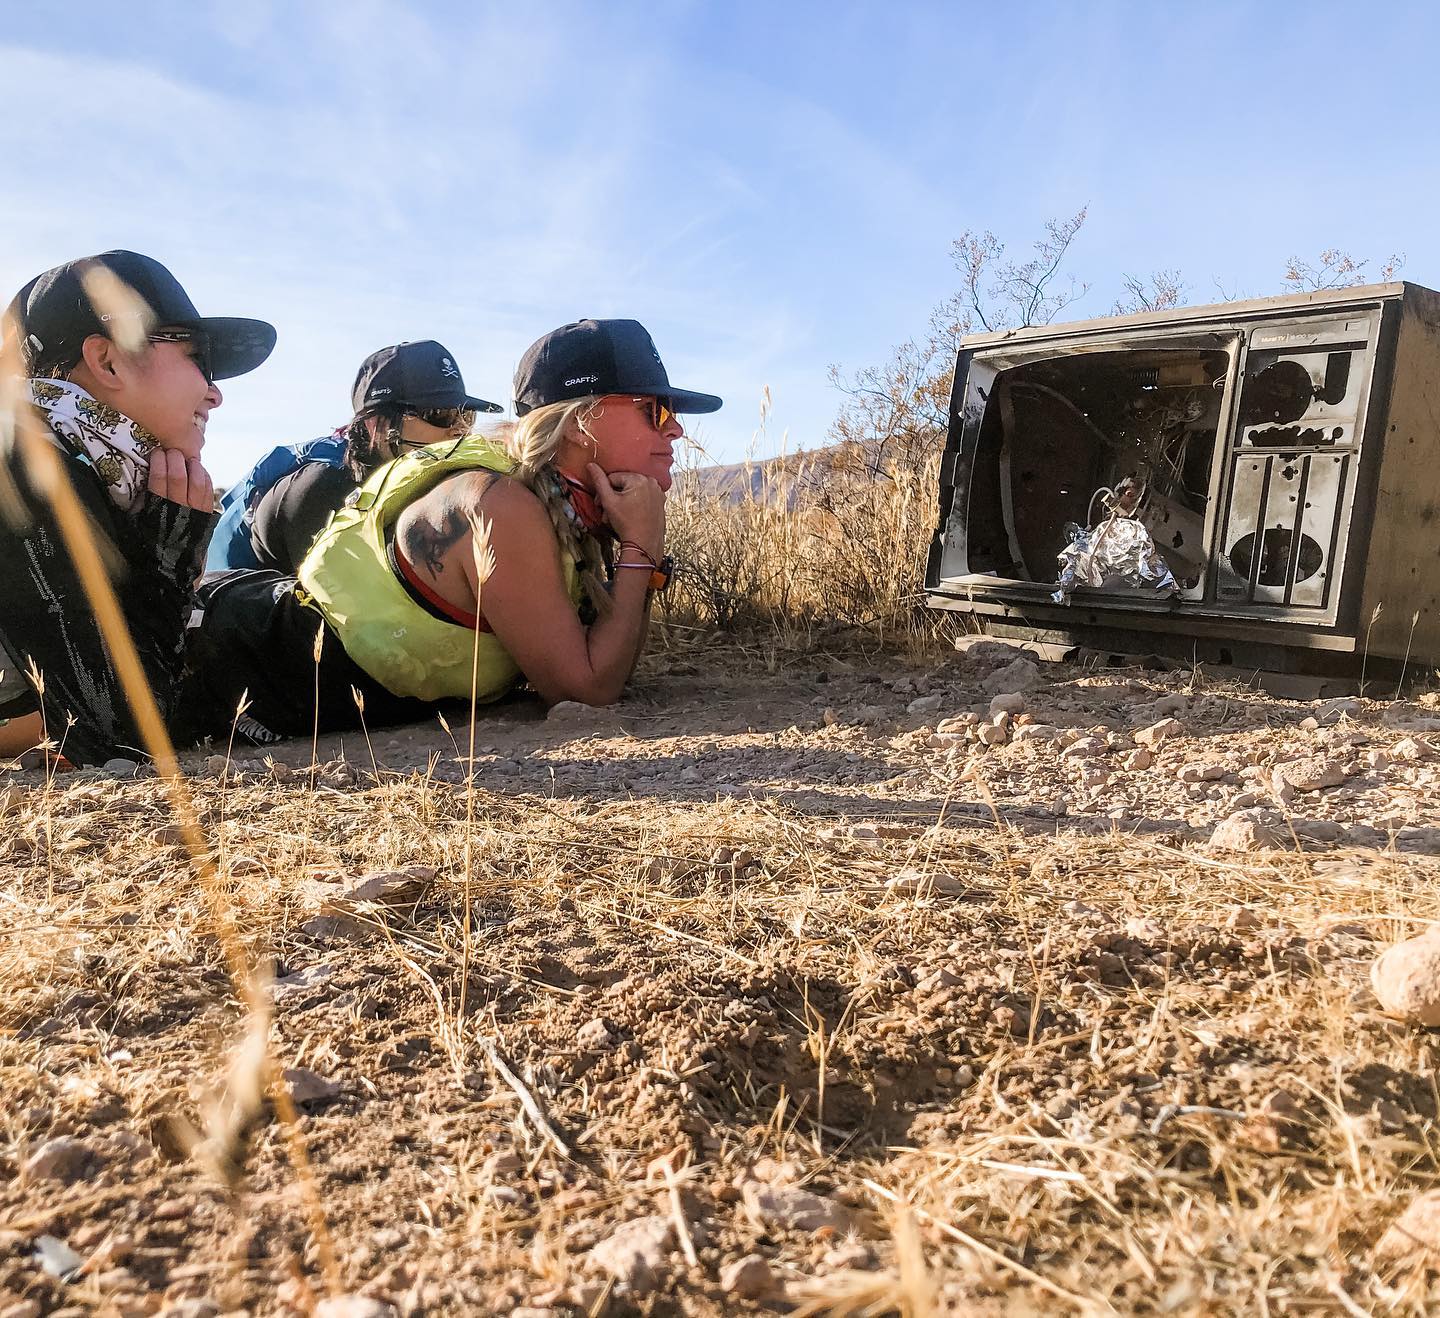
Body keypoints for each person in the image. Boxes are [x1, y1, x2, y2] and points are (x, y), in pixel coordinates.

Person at [185, 318, 720, 741]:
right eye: (654, 409)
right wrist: (641, 548)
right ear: (583, 421)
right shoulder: (499, 504)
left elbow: (608, 660)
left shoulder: (563, 502)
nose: (674, 427)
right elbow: (587, 687)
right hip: (224, 650)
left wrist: (632, 548)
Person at [0, 250, 275, 765]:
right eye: (199, 357)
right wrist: (171, 556)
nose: (215, 395)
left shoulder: (77, 466)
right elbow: (116, 732)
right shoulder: (23, 464)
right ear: (107, 360)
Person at [206, 340, 502, 575]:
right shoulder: (324, 487)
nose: (459, 431)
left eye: (467, 416)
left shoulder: (401, 481)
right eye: (440, 415)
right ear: (377, 424)